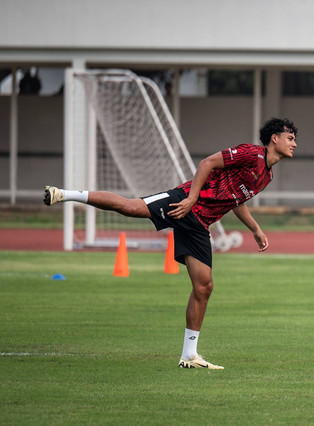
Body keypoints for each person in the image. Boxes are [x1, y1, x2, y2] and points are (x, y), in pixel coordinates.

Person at [43, 117, 298, 369]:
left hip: (199, 225)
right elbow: (207, 163)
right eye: (290, 138)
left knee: (204, 287)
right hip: (183, 203)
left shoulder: (267, 176)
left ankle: (189, 356)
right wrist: (191, 198)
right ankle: (65, 194)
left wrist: (255, 229)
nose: (294, 143)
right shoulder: (249, 153)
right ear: (274, 139)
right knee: (129, 207)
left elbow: (237, 200)